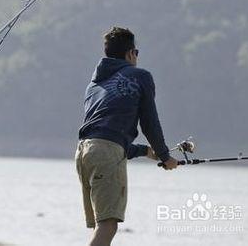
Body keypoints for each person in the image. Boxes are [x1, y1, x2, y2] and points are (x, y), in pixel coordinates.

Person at [76, 27, 178, 246]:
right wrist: (164, 156)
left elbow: (104, 134)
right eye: (136, 53)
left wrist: (144, 151)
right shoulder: (140, 76)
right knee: (108, 224)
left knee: (100, 224)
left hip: (84, 151)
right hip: (105, 152)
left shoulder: (94, 85)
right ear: (131, 53)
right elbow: (149, 122)